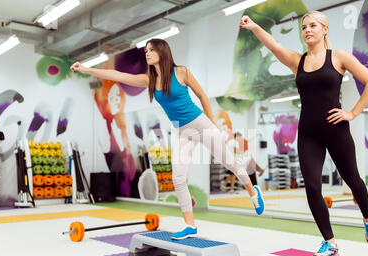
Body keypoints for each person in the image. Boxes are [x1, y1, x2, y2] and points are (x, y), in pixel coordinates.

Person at [70, 38, 265, 240]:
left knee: (229, 162)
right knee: (178, 178)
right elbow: (118, 74)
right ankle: (190, 225)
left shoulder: (181, 72)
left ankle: (252, 191)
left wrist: (213, 121)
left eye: (151, 50)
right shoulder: (149, 80)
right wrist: (86, 69)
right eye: (146, 50)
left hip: (201, 123)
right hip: (182, 131)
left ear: (162, 51)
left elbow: (202, 95)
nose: (147, 53)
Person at [240, 11, 368, 256]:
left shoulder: (339, 57)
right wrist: (253, 28)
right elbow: (274, 45)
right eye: (304, 27)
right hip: (308, 133)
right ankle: (330, 242)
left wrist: (352, 113)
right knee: (313, 186)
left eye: (313, 25)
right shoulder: (298, 61)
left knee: (353, 180)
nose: (307, 30)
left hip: (336, 129)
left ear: (325, 29)